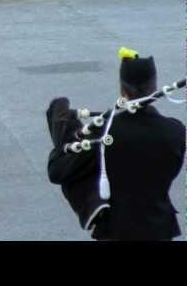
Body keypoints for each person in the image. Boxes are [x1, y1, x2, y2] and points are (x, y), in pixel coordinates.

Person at [46, 48, 185, 241]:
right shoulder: (176, 131)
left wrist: (63, 139)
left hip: (116, 230)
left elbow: (57, 171)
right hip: (160, 228)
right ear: (154, 87)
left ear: (122, 89)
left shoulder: (105, 132)